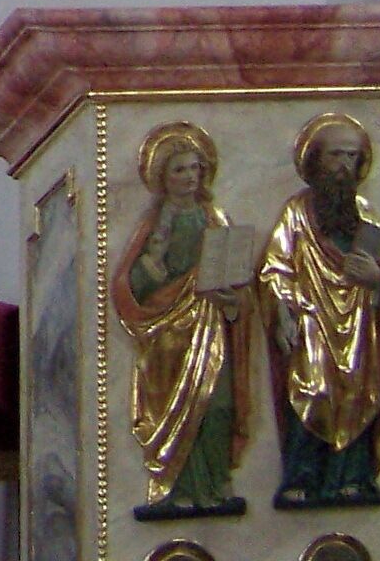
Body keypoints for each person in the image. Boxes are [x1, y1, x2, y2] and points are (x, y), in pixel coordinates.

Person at [110, 121, 251, 519]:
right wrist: (152, 269)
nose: (190, 176)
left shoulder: (214, 217)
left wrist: (233, 299)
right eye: (180, 169)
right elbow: (128, 284)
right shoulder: (154, 225)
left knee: (216, 407)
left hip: (212, 326)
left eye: (195, 168)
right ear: (161, 177)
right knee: (175, 411)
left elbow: (238, 279)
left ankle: (214, 486)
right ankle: (178, 487)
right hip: (168, 333)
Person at [256, 116, 380, 510]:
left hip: (357, 326)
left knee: (357, 396)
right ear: (315, 160)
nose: (343, 166)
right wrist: (283, 309)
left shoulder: (364, 213)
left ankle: (351, 478)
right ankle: (303, 476)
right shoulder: (297, 213)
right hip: (312, 323)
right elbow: (274, 267)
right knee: (312, 393)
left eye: (352, 157)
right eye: (335, 155)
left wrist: (378, 275)